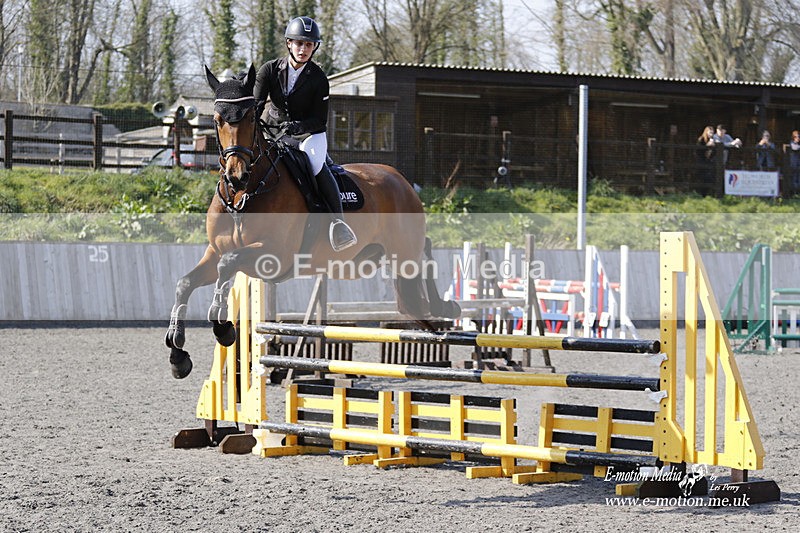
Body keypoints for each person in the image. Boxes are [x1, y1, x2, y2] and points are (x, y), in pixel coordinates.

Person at [253, 16, 357, 252]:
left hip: (308, 134)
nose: (303, 49)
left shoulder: (319, 78)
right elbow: (257, 105)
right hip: (273, 130)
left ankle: (339, 224)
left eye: (308, 44)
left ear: (314, 47)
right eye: (299, 43)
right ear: (289, 43)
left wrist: (297, 127)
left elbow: (319, 120)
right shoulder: (269, 70)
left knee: (315, 162)